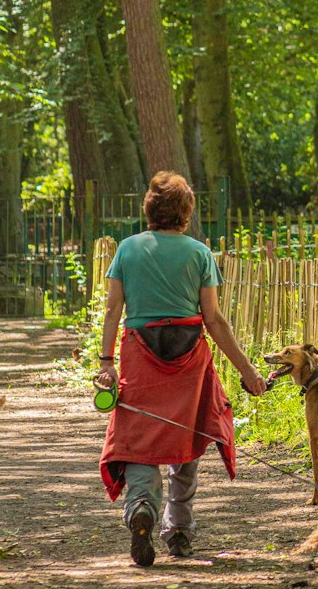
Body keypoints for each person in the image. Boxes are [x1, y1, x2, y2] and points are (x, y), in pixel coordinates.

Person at [94, 171, 267, 567]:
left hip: (139, 354)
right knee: (186, 444)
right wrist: (247, 371)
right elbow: (214, 320)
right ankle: (179, 529)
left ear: (150, 210)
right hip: (189, 360)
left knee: (139, 438)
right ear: (186, 213)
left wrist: (106, 362)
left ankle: (142, 506)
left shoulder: (127, 249)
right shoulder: (198, 253)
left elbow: (113, 309)